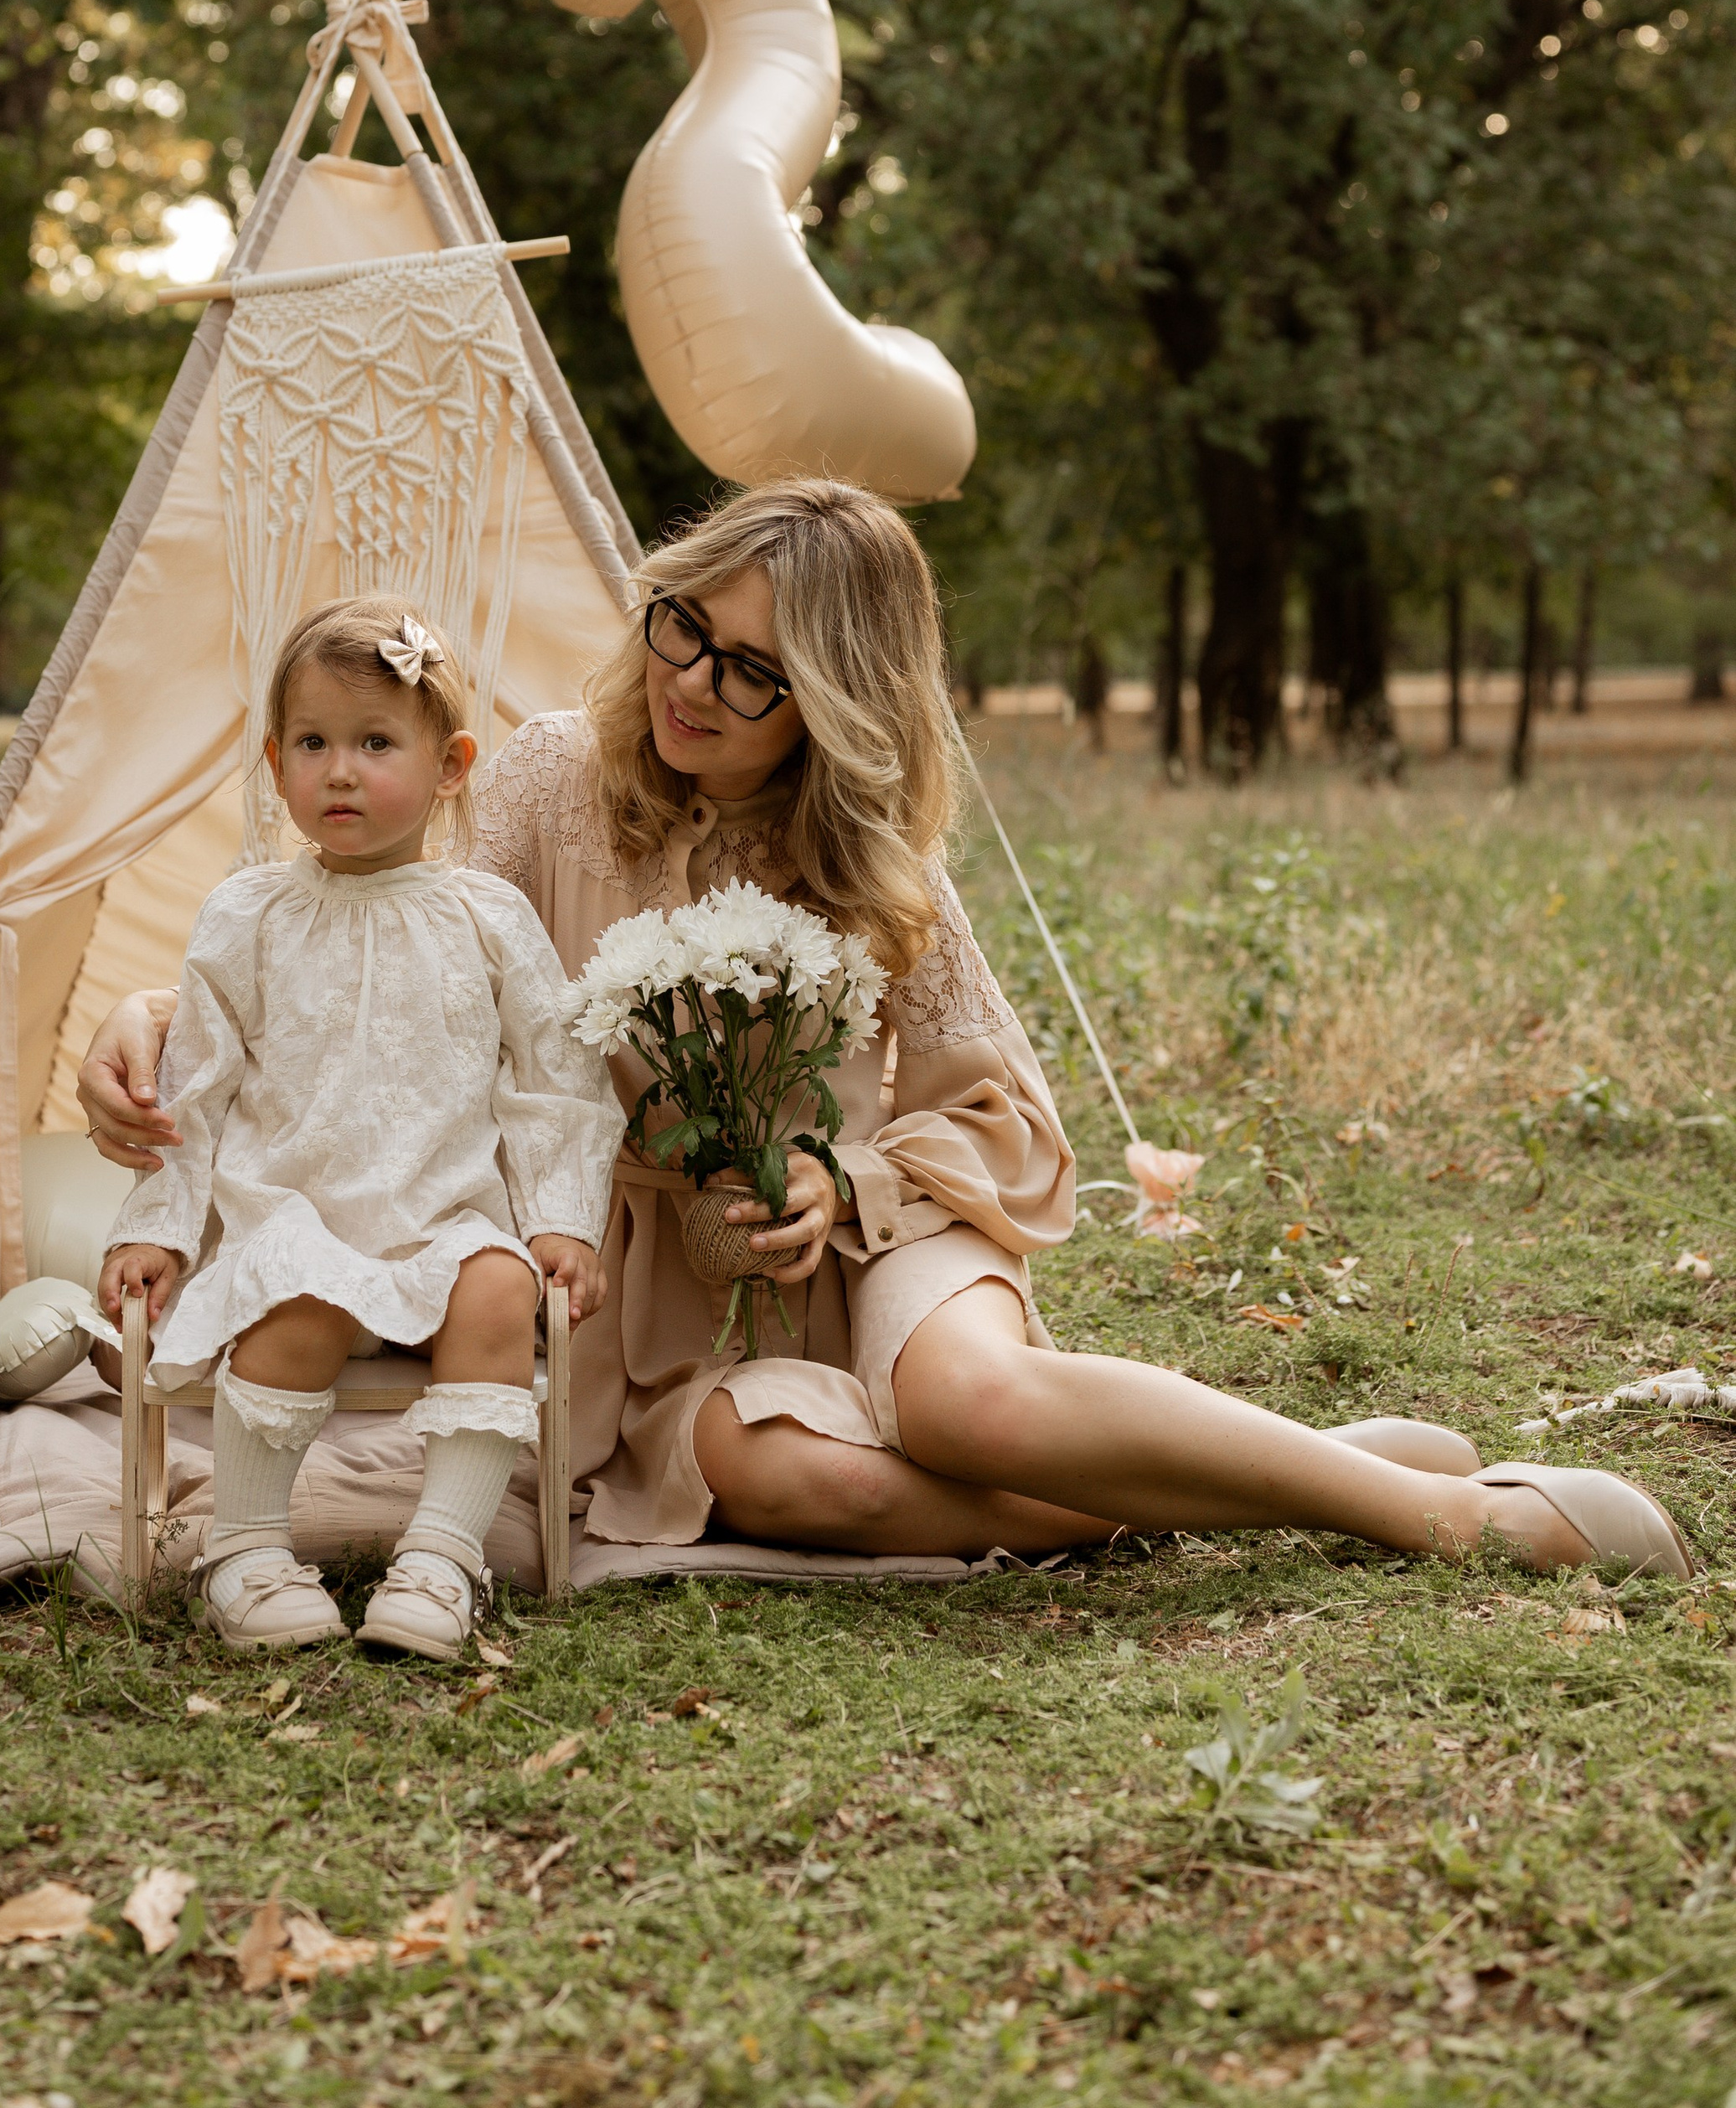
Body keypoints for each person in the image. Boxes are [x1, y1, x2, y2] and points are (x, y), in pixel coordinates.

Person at [84, 484, 1692, 1587]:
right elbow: (371, 944)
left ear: (835, 703)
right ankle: (1288, 1468)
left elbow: (1004, 1119)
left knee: (961, 1411)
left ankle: (1433, 1514)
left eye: (756, 672)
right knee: (796, 1481)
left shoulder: (866, 862)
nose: (696, 682)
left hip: (897, 1229)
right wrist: (159, 1011)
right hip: (672, 1292)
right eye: (681, 626)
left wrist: (838, 1185)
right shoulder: (542, 783)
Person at [96, 596, 621, 1660]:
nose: (340, 770)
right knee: (294, 1298)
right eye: (312, 742)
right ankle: (240, 1547)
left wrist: (563, 1217)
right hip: (296, 1207)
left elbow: (554, 1079)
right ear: (276, 762)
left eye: (376, 741)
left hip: (444, 1210)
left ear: (451, 764)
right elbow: (191, 1086)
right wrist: (154, 1225)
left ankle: (440, 1553)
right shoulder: (247, 914)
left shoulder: (486, 915)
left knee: (500, 1286)